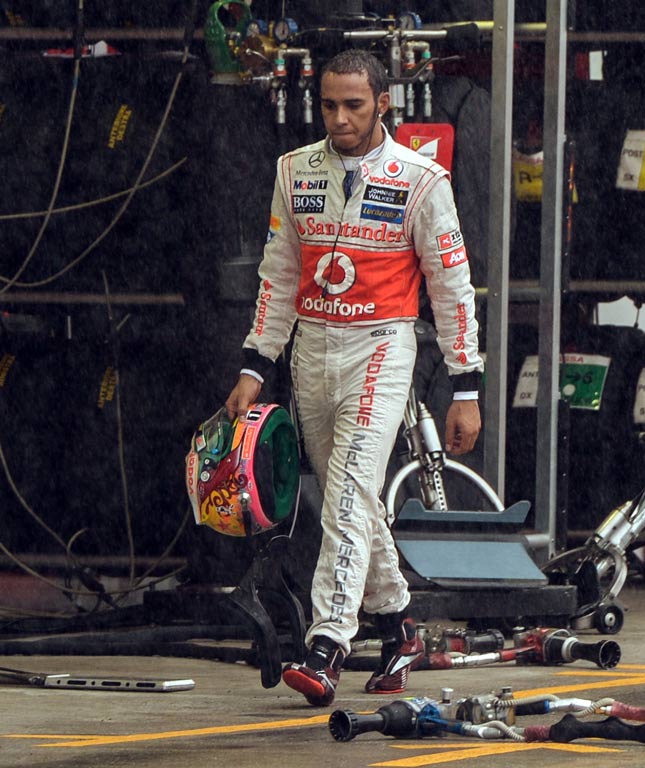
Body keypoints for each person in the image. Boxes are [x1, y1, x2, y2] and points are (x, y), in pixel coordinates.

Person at [225, 48, 484, 705]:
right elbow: (279, 275)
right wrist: (257, 364)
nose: (340, 118)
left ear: (384, 103)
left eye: (354, 106)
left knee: (345, 491)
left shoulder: (422, 179)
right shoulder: (294, 170)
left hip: (382, 345)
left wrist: (466, 386)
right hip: (311, 345)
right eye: (329, 105)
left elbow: (453, 289)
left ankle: (327, 647)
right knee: (355, 501)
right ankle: (399, 629)